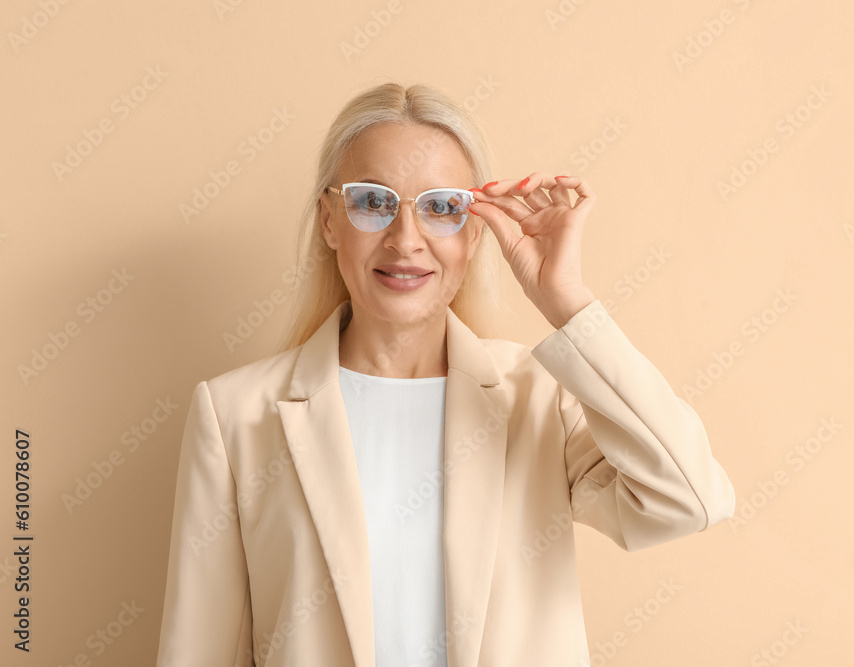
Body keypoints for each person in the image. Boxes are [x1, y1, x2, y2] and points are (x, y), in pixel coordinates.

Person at [156, 82, 736, 667]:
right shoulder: (235, 414)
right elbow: (201, 650)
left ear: (475, 231)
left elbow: (688, 500)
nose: (405, 240)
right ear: (330, 221)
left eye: (440, 207)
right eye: (373, 201)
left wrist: (566, 302)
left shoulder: (537, 397)